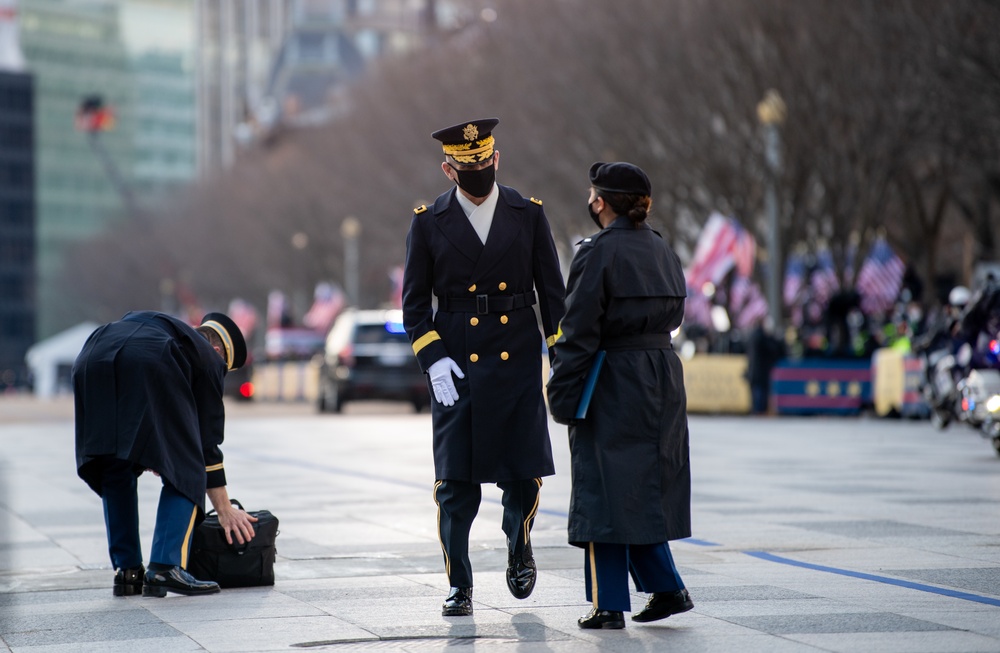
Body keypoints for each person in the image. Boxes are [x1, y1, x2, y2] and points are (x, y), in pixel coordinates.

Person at [402, 117, 566, 616]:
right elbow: (413, 306)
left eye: (484, 162)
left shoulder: (528, 214)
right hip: (457, 365)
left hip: (514, 358)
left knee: (522, 474)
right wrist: (433, 359)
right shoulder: (428, 222)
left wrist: (562, 358)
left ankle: (519, 542)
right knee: (454, 485)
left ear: (497, 159)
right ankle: (460, 583)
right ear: (448, 170)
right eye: (466, 166)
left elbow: (552, 296)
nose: (478, 172)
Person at [547, 162, 693, 630]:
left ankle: (608, 603)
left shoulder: (596, 254)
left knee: (603, 490)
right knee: (642, 486)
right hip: (662, 376)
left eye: (593, 194)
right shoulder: (663, 249)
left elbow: (578, 332)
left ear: (601, 201)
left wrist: (562, 391)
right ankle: (667, 588)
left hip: (610, 377)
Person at [73, 311, 258, 597]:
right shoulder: (208, 359)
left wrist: (160, 450)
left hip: (93, 354)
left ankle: (128, 571)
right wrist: (224, 508)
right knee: (188, 463)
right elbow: (205, 444)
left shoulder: (165, 328)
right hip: (149, 363)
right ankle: (165, 565)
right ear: (219, 351)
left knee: (114, 462)